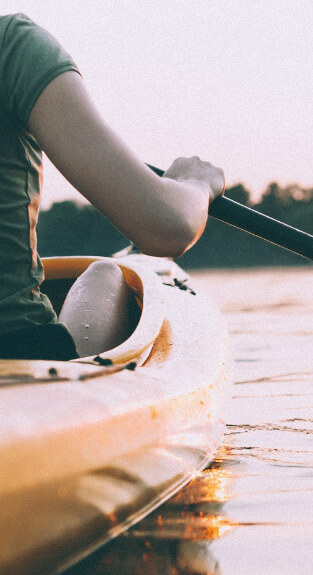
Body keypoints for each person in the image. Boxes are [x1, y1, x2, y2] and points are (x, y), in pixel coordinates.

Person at [0, 13, 225, 361]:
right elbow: (166, 228)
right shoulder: (11, 45)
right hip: (19, 350)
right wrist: (195, 183)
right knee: (105, 273)